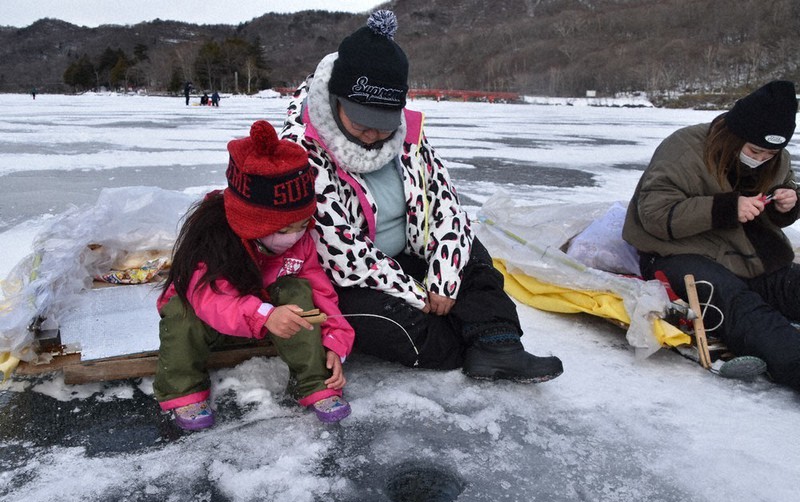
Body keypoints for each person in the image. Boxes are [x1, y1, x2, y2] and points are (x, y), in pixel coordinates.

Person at [280, 10, 563, 383]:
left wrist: (443, 279)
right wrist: (418, 294)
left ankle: (497, 343)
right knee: (389, 325)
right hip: (356, 279)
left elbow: (445, 205)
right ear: (335, 100)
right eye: (361, 123)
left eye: (384, 125)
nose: (373, 135)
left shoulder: (409, 135)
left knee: (470, 250)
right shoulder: (301, 151)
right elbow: (339, 251)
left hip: (412, 254)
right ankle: (462, 340)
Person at [153, 120, 355, 430]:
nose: (295, 235)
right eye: (284, 229)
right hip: (213, 317)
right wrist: (265, 316)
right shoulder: (211, 237)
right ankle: (183, 389)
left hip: (267, 319)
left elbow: (320, 290)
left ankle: (316, 381)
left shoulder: (300, 241)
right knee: (181, 311)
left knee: (298, 291)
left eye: (302, 224)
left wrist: (334, 341)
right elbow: (210, 298)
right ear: (251, 220)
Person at [623, 80, 800, 391]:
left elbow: (780, 194)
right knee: (739, 306)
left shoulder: (777, 159)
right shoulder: (684, 148)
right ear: (735, 135)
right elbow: (653, 214)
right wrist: (725, 208)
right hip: (678, 253)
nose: (761, 158)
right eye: (754, 150)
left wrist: (788, 203)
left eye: (770, 153)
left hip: (745, 256)